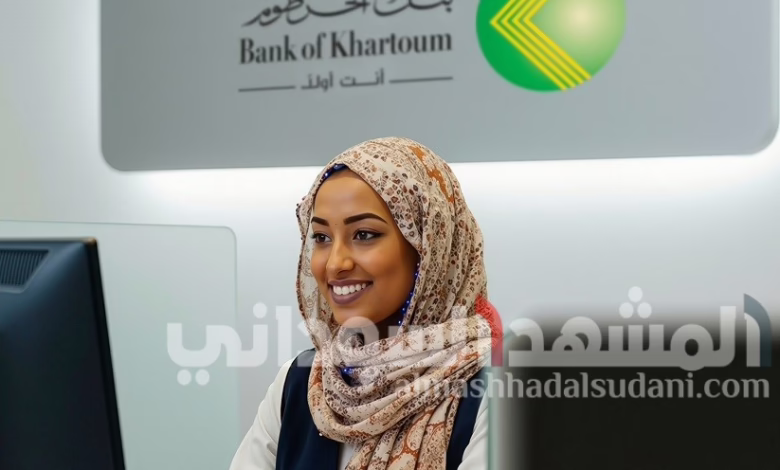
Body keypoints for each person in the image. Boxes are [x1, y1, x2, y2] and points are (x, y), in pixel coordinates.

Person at [229, 137, 502, 470]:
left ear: (430, 249)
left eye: (364, 234)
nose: (335, 264)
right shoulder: (301, 383)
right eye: (321, 238)